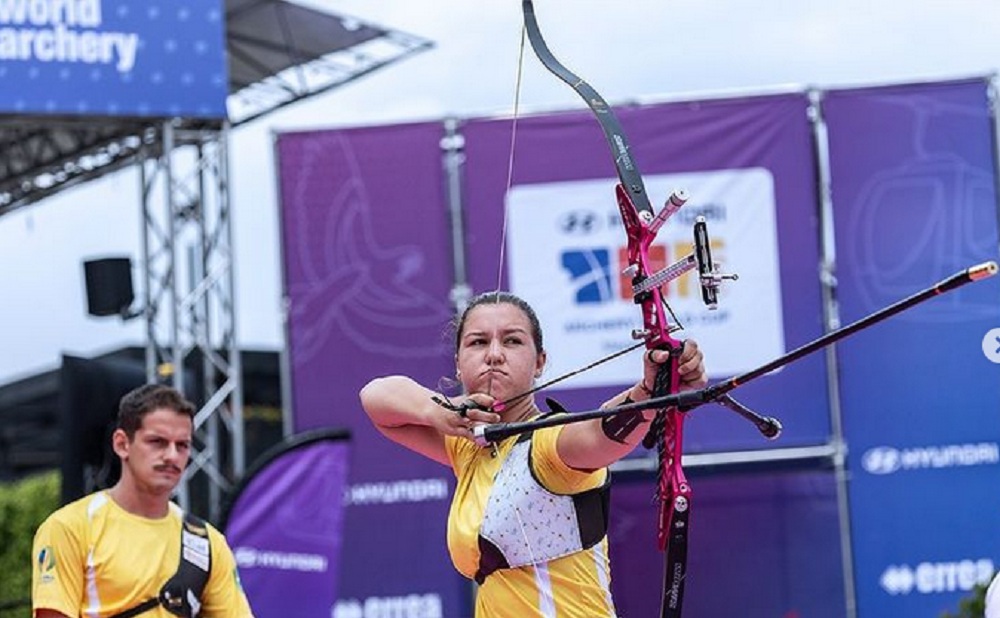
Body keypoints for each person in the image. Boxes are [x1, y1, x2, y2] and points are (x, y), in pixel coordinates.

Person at [360, 291, 706, 617]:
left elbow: (601, 433)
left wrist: (648, 393)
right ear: (458, 363)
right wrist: (438, 411)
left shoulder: (549, 443)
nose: (494, 354)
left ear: (539, 362)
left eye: (512, 341)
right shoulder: (468, 446)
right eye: (478, 342)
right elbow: (376, 397)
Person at [31, 384, 254, 618]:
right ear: (122, 444)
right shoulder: (70, 527)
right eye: (157, 442)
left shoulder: (208, 543)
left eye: (182, 445)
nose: (172, 456)